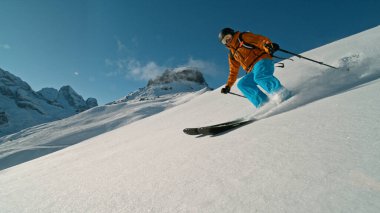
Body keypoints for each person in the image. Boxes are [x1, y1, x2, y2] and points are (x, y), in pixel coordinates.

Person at [218, 27, 290, 108]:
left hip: (262, 60)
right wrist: (228, 86)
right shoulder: (232, 54)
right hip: (252, 70)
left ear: (232, 34)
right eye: (224, 41)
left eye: (228, 37)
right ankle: (263, 104)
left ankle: (280, 92)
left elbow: (259, 40)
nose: (228, 40)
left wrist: (268, 46)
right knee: (243, 84)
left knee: (259, 77)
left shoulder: (242, 37)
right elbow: (233, 71)